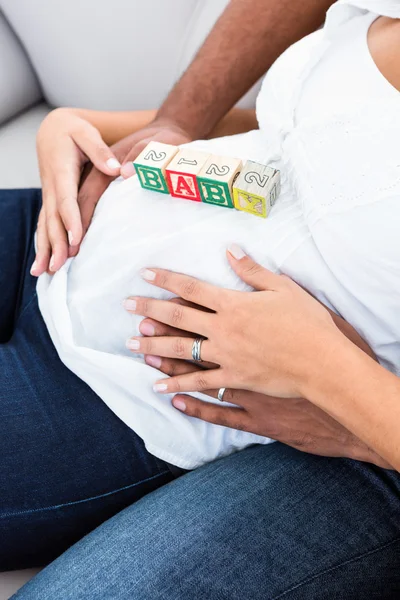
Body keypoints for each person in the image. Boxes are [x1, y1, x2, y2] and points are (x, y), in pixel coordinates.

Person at [1, 0, 399, 597]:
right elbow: (318, 146)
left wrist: (328, 375)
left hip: (136, 396)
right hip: (74, 233)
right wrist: (147, 127)